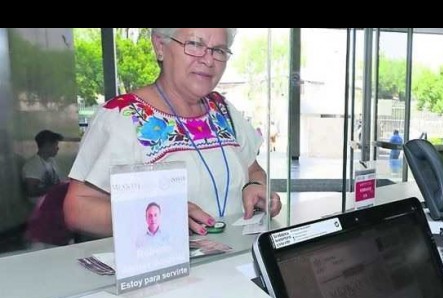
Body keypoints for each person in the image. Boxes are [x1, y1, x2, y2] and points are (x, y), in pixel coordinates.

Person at [64, 28, 282, 238]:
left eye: (219, 50)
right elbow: (78, 208)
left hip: (239, 256)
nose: (208, 60)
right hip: (163, 259)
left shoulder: (223, 110)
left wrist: (256, 187)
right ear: (160, 46)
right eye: (195, 44)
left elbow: (254, 170)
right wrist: (163, 214)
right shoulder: (121, 116)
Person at [23, 129, 66, 203]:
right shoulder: (33, 165)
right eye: (55, 145)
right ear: (47, 146)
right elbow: (31, 192)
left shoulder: (51, 161)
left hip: (52, 199)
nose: (58, 148)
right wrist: (55, 189)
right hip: (42, 203)